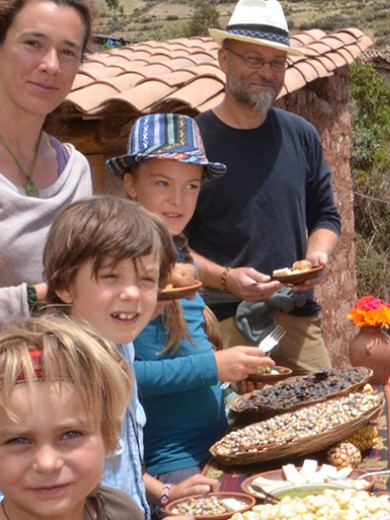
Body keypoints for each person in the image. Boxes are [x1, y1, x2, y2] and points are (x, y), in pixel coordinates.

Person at [108, 114, 274, 495]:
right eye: (162, 183)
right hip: (171, 460)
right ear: (131, 183)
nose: (177, 200)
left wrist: (232, 377)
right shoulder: (120, 272)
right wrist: (213, 366)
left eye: (191, 187)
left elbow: (189, 346)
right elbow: (124, 377)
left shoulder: (180, 259)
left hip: (216, 440)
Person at [186, 0, 342, 373]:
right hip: (222, 320)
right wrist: (227, 279)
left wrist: (317, 256)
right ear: (224, 60)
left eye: (276, 63)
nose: (266, 73)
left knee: (327, 409)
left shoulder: (301, 134)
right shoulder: (194, 141)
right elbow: (170, 245)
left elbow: (325, 215)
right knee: (239, 423)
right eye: (253, 59)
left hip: (295, 315)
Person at [0, 0, 98, 326]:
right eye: (33, 44)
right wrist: (45, 296)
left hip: (72, 368)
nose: (51, 65)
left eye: (68, 52)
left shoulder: (76, 171)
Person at [0, 318, 146, 520]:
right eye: (19, 440)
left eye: (70, 434)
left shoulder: (122, 512)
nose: (47, 463)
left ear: (110, 434)